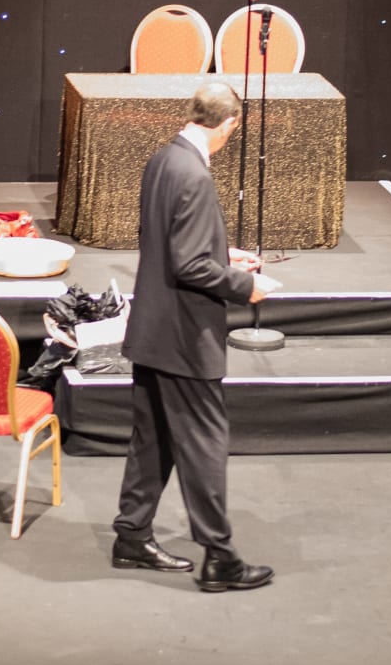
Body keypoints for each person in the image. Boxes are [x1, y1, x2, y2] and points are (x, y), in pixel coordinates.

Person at [112, 81, 275, 591]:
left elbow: (170, 244)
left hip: (154, 329)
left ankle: (132, 536)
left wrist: (224, 256)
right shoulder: (195, 175)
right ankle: (220, 558)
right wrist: (244, 285)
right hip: (184, 337)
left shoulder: (164, 159)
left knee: (154, 438)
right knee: (205, 444)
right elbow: (188, 266)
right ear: (229, 125)